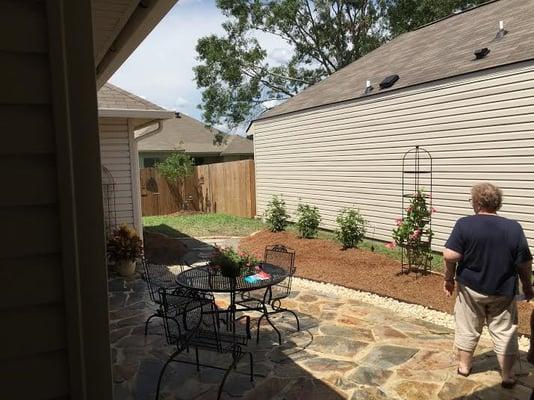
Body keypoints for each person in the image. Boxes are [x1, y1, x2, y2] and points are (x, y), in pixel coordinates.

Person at [443, 182, 533, 389]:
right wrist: (527, 286)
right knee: (504, 331)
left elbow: (450, 255)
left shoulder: (464, 224)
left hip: (470, 289)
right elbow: (524, 263)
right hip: (502, 290)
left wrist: (448, 278)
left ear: (476, 203)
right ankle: (508, 375)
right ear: (497, 204)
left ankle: (464, 367)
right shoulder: (514, 227)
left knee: (468, 326)